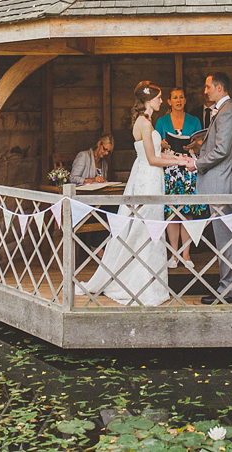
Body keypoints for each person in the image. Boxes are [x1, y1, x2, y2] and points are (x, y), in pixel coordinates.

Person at [79, 81, 193, 306]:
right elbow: (152, 159)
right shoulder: (142, 123)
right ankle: (140, 284)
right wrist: (179, 161)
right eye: (159, 97)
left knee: (153, 226)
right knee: (145, 227)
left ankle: (152, 281)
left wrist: (180, 159)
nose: (162, 101)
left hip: (153, 176)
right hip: (147, 179)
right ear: (149, 100)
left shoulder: (148, 121)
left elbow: (157, 155)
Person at [188, 72, 232, 304]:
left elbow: (222, 150)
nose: (205, 91)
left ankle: (229, 290)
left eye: (208, 87)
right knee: (224, 237)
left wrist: (197, 163)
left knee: (226, 238)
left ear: (219, 88)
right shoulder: (223, 111)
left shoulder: (228, 112)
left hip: (223, 184)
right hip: (221, 182)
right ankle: (228, 286)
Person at [156, 87, 206, 270]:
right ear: (169, 101)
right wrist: (160, 143)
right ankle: (174, 254)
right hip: (169, 169)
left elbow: (201, 146)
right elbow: (155, 148)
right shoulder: (161, 121)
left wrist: (196, 144)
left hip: (188, 168)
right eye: (175, 97)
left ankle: (186, 253)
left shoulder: (194, 120)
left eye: (181, 97)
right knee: (171, 212)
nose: (178, 100)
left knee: (186, 211)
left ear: (185, 101)